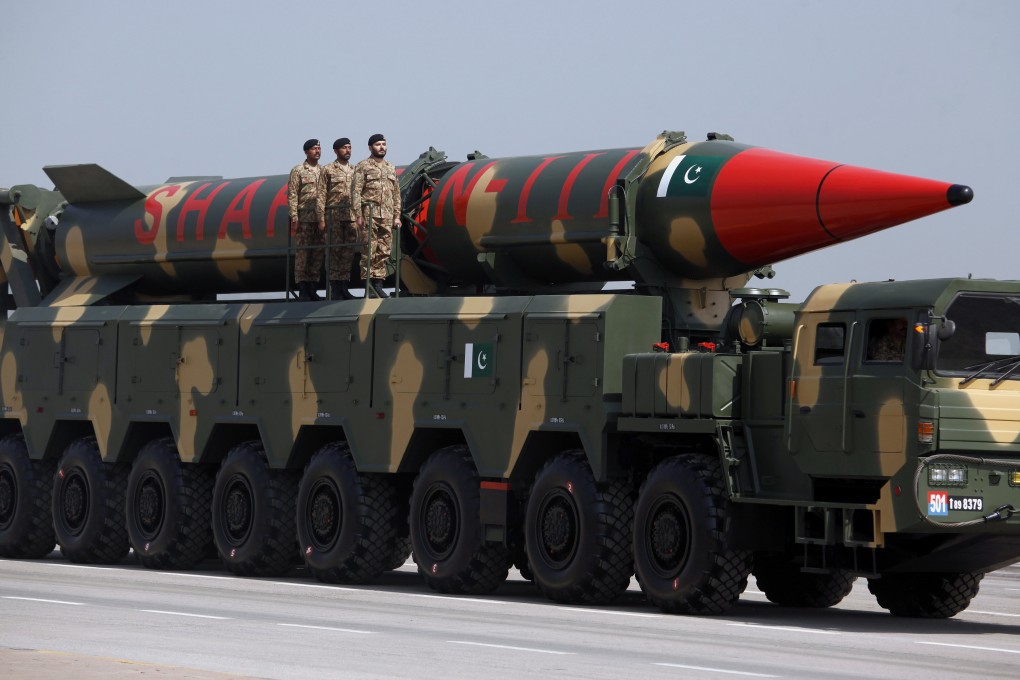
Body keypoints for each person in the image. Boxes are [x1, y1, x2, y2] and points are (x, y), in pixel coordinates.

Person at [351, 133, 401, 298]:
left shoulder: (390, 167)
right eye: (378, 144)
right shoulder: (363, 166)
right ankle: (368, 286)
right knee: (368, 251)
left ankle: (378, 284)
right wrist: (358, 215)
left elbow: (396, 194)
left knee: (383, 251)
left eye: (384, 144)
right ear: (370, 147)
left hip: (386, 216)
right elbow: (356, 191)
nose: (382, 147)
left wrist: (396, 215)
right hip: (369, 215)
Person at [319, 138, 358, 300]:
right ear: (336, 150)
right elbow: (320, 195)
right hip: (333, 217)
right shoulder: (327, 170)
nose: (348, 150)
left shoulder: (355, 170)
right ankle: (335, 287)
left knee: (347, 252)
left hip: (350, 217)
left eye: (349, 147)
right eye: (344, 148)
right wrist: (321, 218)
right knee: (334, 252)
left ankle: (344, 286)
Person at [287, 139, 326, 301]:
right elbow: (293, 195)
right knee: (303, 254)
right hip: (304, 218)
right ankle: (303, 288)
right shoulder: (298, 171)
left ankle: (312, 287)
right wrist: (294, 217)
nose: (317, 151)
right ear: (306, 152)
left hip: (320, 219)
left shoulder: (324, 171)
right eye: (313, 149)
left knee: (317, 254)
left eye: (319, 148)